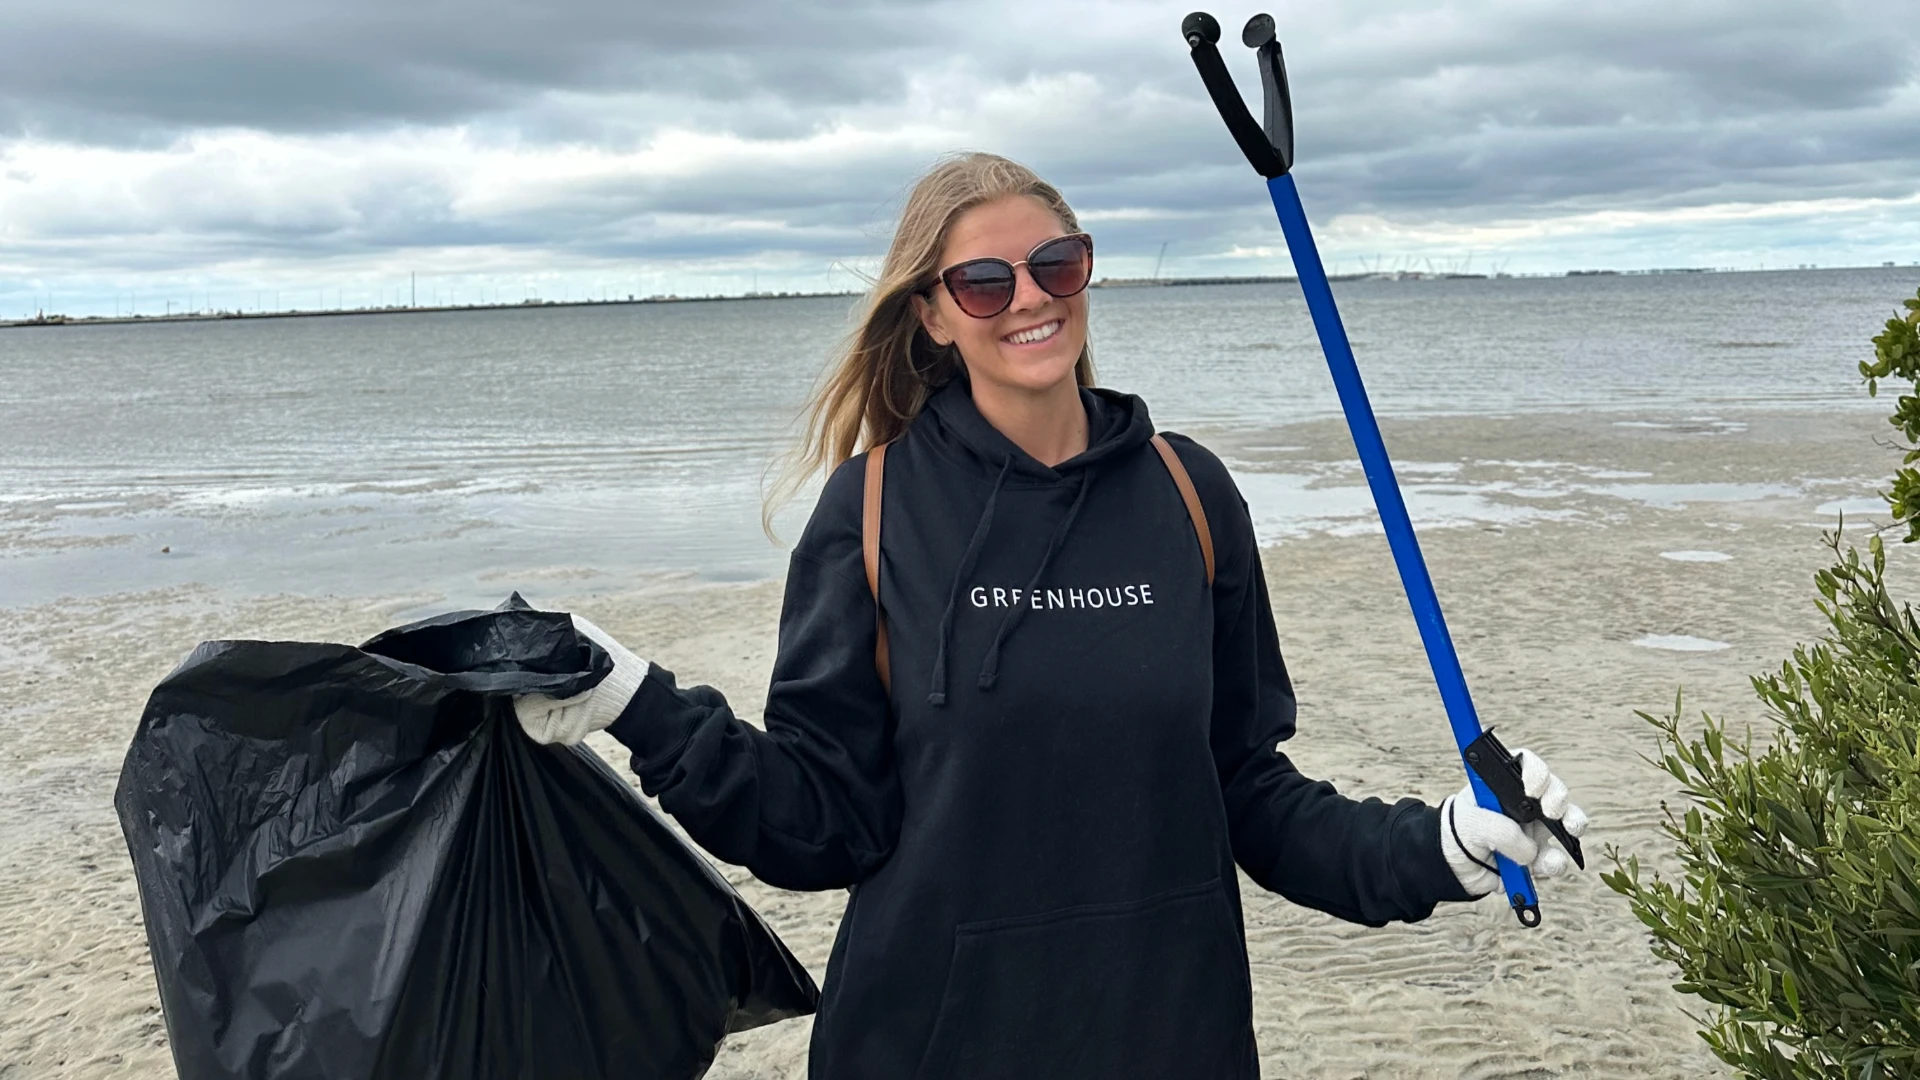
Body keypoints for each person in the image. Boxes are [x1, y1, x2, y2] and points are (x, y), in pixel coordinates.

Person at [512, 152, 1587, 1079]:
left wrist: (1440, 844)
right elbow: (818, 823)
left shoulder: (1189, 495)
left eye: (1056, 264)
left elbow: (1249, 795)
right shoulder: (873, 509)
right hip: (929, 1047)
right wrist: (638, 702)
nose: (1030, 298)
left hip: (1174, 1041)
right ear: (931, 314)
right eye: (983, 282)